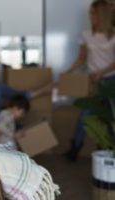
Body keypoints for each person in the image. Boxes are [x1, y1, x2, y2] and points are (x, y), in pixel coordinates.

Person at [64, 0, 115, 161]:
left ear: (102, 15)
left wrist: (101, 72)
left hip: (111, 81)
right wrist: (68, 71)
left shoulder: (113, 34)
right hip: (94, 82)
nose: (91, 16)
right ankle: (75, 148)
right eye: (90, 13)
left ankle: (107, 150)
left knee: (110, 117)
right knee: (85, 115)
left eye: (93, 13)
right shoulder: (86, 34)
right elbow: (81, 59)